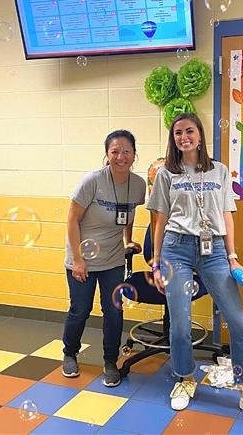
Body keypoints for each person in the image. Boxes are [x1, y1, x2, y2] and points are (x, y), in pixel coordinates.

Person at [147, 113, 243, 424]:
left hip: (215, 250)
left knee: (236, 322)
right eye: (178, 132)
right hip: (176, 249)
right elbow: (160, 221)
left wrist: (232, 256)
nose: (184, 137)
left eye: (189, 131)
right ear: (173, 138)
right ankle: (186, 378)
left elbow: (228, 214)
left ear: (200, 134)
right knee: (180, 324)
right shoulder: (166, 173)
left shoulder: (219, 170)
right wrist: (157, 261)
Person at [62, 130, 146, 387]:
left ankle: (111, 361)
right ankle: (70, 354)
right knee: (80, 310)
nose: (121, 156)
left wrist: (127, 241)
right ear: (107, 155)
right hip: (83, 258)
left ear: (134, 155)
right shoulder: (92, 181)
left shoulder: (139, 185)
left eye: (126, 151)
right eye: (115, 151)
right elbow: (72, 219)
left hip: (113, 259)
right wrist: (77, 259)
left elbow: (128, 214)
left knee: (113, 311)